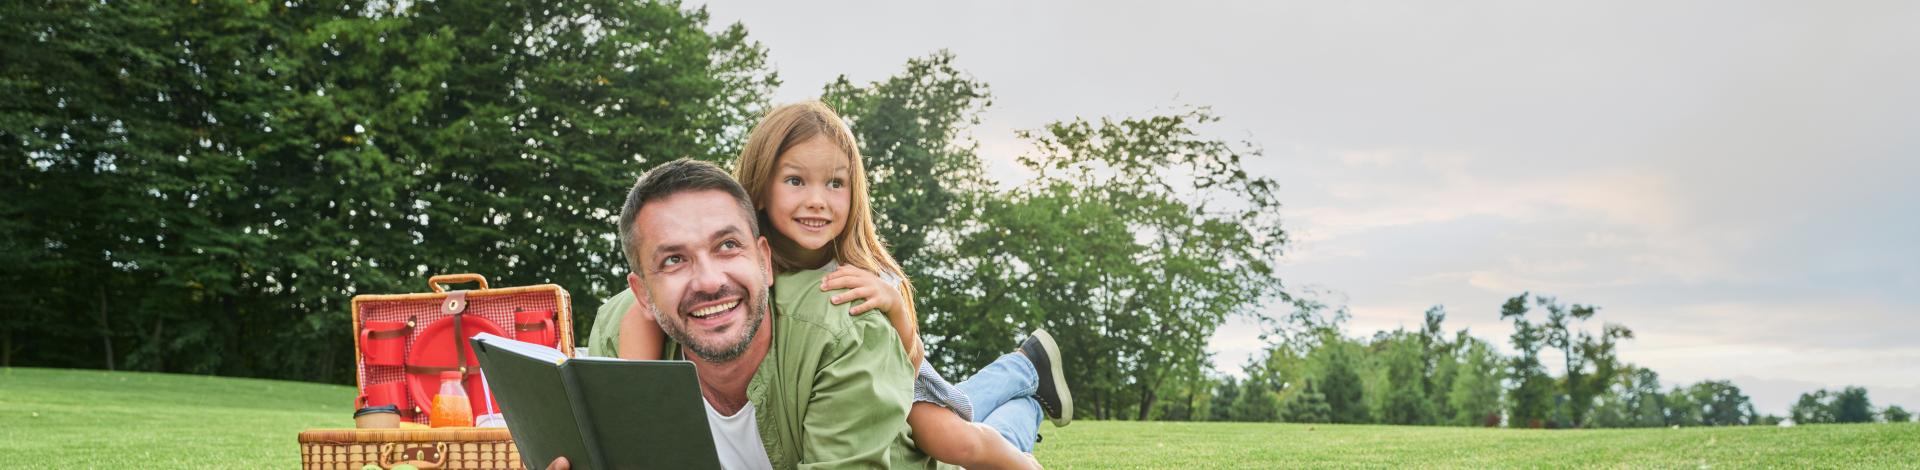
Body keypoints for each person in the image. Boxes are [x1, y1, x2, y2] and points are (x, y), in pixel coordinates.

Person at [588, 101, 1070, 469]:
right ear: (761, 185)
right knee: (966, 416)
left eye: (835, 184)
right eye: (796, 182)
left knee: (956, 439)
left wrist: (897, 313)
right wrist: (635, 416)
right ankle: (1025, 377)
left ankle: (1024, 425)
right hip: (861, 376)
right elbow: (640, 315)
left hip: (895, 371)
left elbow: (903, 362)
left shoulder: (856, 273)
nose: (816, 201)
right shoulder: (725, 252)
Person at [555, 158, 921, 470]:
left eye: (728, 246)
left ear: (764, 260)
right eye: (674, 260)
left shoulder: (846, 328)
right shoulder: (617, 338)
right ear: (643, 295)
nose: (710, 282)